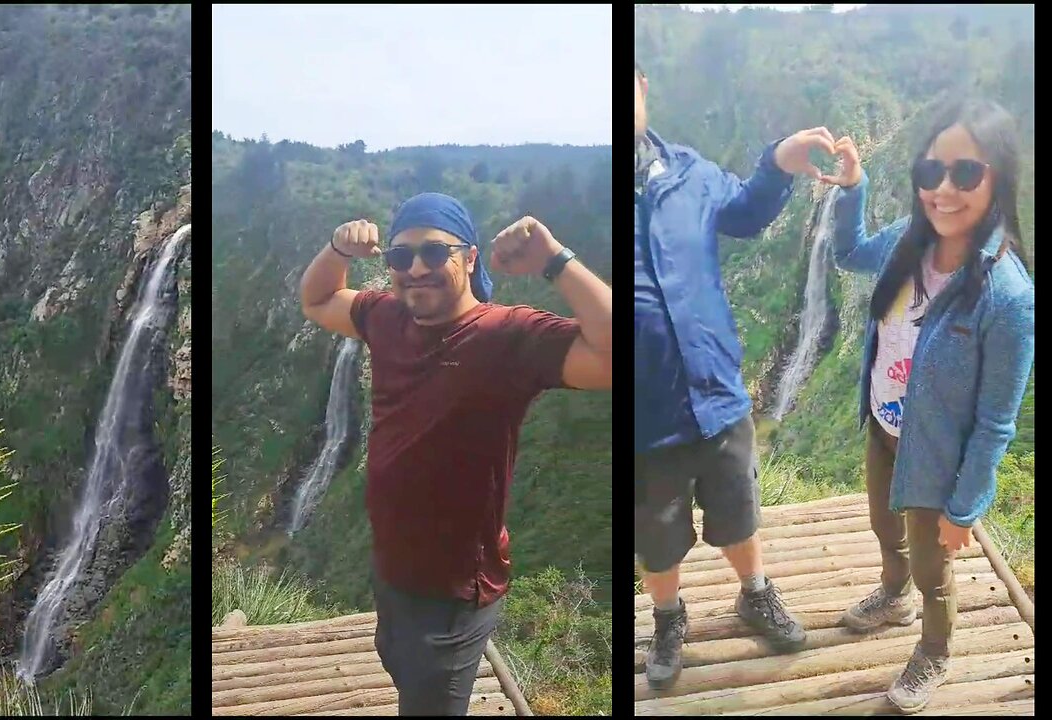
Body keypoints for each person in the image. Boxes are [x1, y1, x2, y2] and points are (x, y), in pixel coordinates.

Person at [298, 191, 611, 715]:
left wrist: (555, 261)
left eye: (434, 253)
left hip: (451, 593)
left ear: (469, 258)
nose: (415, 268)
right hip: (394, 570)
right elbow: (316, 299)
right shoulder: (386, 316)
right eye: (400, 256)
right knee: (402, 669)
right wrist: (337, 249)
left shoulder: (506, 335)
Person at [818, 98, 1034, 714]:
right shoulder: (905, 245)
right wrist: (854, 185)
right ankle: (893, 592)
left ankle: (934, 651)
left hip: (937, 461)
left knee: (935, 568)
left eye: (965, 173)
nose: (943, 189)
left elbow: (997, 422)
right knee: (885, 529)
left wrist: (965, 508)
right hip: (884, 427)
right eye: (930, 171)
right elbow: (848, 250)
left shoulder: (1009, 296)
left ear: (997, 178)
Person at [634, 60, 837, 689]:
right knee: (658, 530)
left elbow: (746, 215)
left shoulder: (693, 173)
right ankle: (668, 619)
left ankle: (755, 592)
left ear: (640, 87)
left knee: (738, 504)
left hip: (718, 390)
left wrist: (780, 159)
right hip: (645, 412)